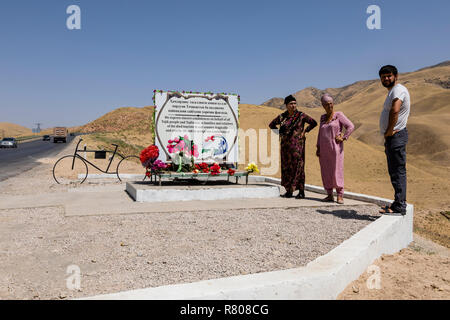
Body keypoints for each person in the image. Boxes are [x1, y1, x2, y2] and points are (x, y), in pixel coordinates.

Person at [269, 95, 317, 199]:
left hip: (297, 147)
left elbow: (314, 123)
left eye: (295, 103)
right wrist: (279, 133)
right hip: (285, 147)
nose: (293, 105)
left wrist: (305, 131)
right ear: (286, 105)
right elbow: (271, 124)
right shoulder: (282, 117)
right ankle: (289, 191)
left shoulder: (301, 116)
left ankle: (301, 191)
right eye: (291, 104)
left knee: (298, 167)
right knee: (287, 168)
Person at [378, 65, 410, 215]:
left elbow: (395, 109)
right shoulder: (393, 91)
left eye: (389, 76)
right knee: (395, 171)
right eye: (383, 77)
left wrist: (390, 130)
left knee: (398, 171)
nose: (386, 79)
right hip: (393, 137)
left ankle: (399, 206)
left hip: (396, 136)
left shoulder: (398, 90)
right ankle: (397, 202)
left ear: (396, 76)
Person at [316, 94, 354, 204]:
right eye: (327, 104)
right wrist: (318, 146)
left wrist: (344, 137)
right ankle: (329, 194)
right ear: (323, 105)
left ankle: (340, 195)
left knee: (337, 171)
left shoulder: (338, 115)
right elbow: (320, 133)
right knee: (326, 171)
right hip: (324, 150)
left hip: (336, 149)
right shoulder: (322, 117)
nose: (329, 106)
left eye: (331, 103)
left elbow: (351, 126)